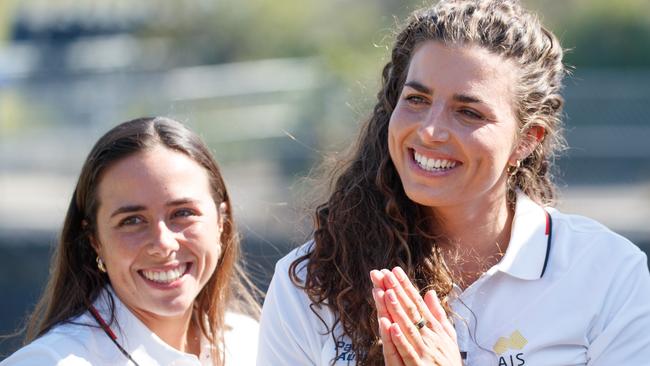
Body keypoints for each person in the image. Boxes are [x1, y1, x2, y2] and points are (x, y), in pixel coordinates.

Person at [256, 0, 650, 365]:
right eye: (416, 100)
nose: (430, 131)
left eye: (468, 112)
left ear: (527, 140)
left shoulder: (608, 272)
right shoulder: (313, 281)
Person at [2, 117, 260, 365]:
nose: (163, 243)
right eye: (132, 220)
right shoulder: (50, 362)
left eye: (183, 213)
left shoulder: (253, 343)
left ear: (221, 223)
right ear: (95, 240)